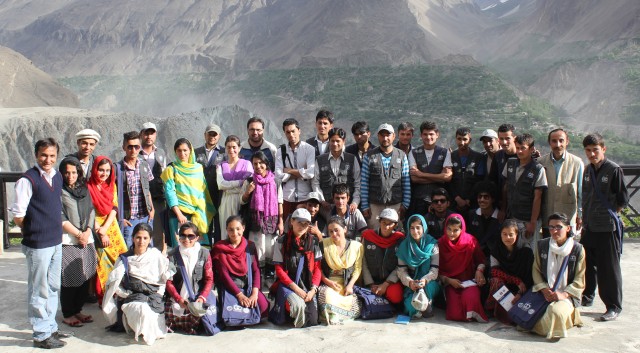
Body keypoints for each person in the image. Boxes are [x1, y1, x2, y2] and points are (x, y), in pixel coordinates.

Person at [10, 138, 71, 349]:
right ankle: (41, 334)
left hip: (55, 241)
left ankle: (50, 327)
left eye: (52, 156)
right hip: (38, 244)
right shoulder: (28, 180)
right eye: (44, 155)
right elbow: (18, 215)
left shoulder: (57, 176)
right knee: (39, 289)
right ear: (36, 155)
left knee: (53, 286)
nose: (48, 159)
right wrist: (32, 229)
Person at [581, 133, 629, 321]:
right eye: (588, 150)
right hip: (589, 225)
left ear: (603, 149)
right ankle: (587, 296)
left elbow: (622, 200)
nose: (592, 154)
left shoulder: (614, 170)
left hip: (607, 227)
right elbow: (585, 197)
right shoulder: (587, 170)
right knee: (586, 264)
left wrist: (608, 214)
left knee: (608, 268)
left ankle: (613, 306)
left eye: (595, 150)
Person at [102, 223, 174, 345]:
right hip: (132, 297)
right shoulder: (124, 259)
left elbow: (165, 276)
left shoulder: (155, 255)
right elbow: (114, 283)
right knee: (141, 310)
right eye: (138, 237)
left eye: (145, 238)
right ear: (133, 238)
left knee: (152, 320)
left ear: (150, 239)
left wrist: (159, 293)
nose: (141, 241)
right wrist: (125, 294)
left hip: (154, 297)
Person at [531, 213, 586, 339]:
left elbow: (579, 279)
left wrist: (563, 294)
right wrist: (544, 289)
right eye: (551, 227)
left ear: (568, 228)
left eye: (558, 227)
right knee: (527, 315)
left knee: (555, 312)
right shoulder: (542, 245)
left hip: (567, 295)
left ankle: (568, 317)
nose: (554, 230)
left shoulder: (577, 249)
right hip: (545, 292)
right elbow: (536, 270)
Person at [59, 157, 97, 327]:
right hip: (69, 240)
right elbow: (60, 215)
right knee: (69, 278)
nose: (70, 176)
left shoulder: (84, 189)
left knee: (85, 275)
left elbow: (91, 210)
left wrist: (88, 231)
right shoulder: (59, 191)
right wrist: (77, 234)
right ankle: (68, 313)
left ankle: (78, 309)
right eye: (66, 172)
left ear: (79, 173)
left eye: (74, 172)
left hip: (86, 239)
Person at [271, 208, 323, 328]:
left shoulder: (313, 242)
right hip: (288, 284)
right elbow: (279, 269)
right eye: (299, 222)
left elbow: (317, 268)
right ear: (292, 222)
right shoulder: (281, 241)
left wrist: (313, 290)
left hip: (307, 285)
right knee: (297, 307)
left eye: (306, 224)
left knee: (312, 320)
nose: (302, 227)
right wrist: (295, 288)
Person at [213, 216, 270, 321]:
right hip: (230, 287)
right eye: (231, 229)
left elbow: (256, 270)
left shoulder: (250, 246)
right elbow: (223, 275)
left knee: (264, 309)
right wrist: (239, 295)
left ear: (243, 228)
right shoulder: (219, 248)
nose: (235, 233)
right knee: (232, 317)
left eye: (238, 229)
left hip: (247, 285)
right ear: (226, 230)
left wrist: (254, 293)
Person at [87, 156, 128, 301]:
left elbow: (114, 207)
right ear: (94, 170)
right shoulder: (89, 187)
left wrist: (105, 228)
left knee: (121, 257)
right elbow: (88, 211)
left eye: (107, 171)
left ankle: (120, 291)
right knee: (102, 262)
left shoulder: (111, 185)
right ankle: (105, 296)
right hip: (94, 225)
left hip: (111, 226)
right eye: (101, 170)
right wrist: (99, 231)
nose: (104, 174)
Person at [162, 138, 215, 247]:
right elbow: (169, 192)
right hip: (178, 215)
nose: (182, 153)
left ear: (190, 151)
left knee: (197, 248)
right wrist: (179, 214)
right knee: (180, 247)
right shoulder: (171, 169)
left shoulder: (198, 168)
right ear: (175, 152)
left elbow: (202, 191)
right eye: (179, 150)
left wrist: (199, 212)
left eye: (185, 150)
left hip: (197, 214)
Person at [164, 222, 214, 335]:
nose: (186, 239)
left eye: (190, 236)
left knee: (202, 315)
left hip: (197, 298)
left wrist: (202, 297)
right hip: (178, 299)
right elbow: (168, 281)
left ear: (197, 237)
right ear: (178, 236)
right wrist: (178, 299)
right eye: (183, 235)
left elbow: (209, 279)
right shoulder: (172, 255)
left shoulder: (204, 254)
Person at [438, 214, 488, 322]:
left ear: (462, 229)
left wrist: (479, 271)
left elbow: (482, 261)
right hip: (450, 283)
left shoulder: (470, 241)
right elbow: (437, 270)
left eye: (456, 230)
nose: (451, 233)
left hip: (469, 281)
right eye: (449, 229)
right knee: (454, 313)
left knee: (470, 299)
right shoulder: (441, 244)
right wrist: (448, 280)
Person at [361, 123, 411, 230]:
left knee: (396, 236)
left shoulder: (402, 156)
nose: (385, 138)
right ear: (378, 136)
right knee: (375, 235)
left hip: (396, 204)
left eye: (388, 135)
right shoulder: (368, 156)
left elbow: (406, 181)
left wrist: (405, 205)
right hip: (375, 205)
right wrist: (365, 206)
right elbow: (364, 182)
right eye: (382, 135)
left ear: (393, 136)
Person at [501, 133, 547, 249]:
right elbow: (506, 188)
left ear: (531, 149)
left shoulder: (538, 169)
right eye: (517, 148)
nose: (520, 151)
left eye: (523, 148)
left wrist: (532, 223)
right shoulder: (510, 163)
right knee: (514, 249)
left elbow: (538, 197)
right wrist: (503, 209)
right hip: (512, 216)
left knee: (529, 251)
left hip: (528, 219)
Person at [240, 151, 284, 273]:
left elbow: (280, 202)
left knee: (270, 248)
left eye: (261, 163)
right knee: (257, 249)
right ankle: (257, 276)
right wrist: (248, 191)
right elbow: (242, 201)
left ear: (266, 163)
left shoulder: (275, 181)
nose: (258, 166)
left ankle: (269, 276)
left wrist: (281, 222)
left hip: (271, 221)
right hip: (255, 221)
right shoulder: (249, 181)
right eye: (255, 164)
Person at [485, 219, 533, 324]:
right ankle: (491, 309)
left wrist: (520, 293)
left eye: (511, 234)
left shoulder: (526, 251)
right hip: (505, 285)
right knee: (495, 281)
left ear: (517, 234)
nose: (507, 238)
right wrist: (515, 280)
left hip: (522, 288)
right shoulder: (496, 250)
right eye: (504, 234)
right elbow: (493, 271)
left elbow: (529, 276)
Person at [538, 128, 584, 237]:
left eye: (561, 140)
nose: (558, 144)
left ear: (567, 141)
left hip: (567, 217)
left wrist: (580, 215)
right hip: (547, 217)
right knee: (548, 250)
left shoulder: (577, 163)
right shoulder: (540, 162)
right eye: (554, 141)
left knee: (567, 250)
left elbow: (581, 192)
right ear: (549, 142)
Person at [318, 216, 363, 324]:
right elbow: (317, 268)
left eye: (336, 230)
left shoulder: (357, 246)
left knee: (354, 304)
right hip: (329, 284)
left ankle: (335, 314)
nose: (334, 234)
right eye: (331, 231)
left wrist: (350, 285)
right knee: (325, 296)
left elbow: (357, 269)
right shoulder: (323, 244)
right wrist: (327, 282)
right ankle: (334, 314)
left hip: (347, 285)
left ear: (345, 229)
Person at [115, 131, 155, 249]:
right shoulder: (117, 169)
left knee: (148, 249)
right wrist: (120, 218)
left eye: (136, 147)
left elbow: (147, 189)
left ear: (140, 147)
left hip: (145, 216)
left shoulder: (144, 165)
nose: (133, 150)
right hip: (128, 219)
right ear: (124, 147)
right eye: (130, 147)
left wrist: (151, 209)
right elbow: (113, 196)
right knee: (128, 250)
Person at [397, 214, 440, 319]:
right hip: (412, 284)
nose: (415, 231)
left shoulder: (432, 244)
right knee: (410, 307)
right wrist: (410, 282)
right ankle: (425, 307)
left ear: (423, 228)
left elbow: (434, 270)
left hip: (429, 283)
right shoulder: (404, 247)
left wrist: (425, 280)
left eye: (418, 227)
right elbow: (401, 271)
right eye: (412, 228)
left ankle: (424, 305)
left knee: (426, 290)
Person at [360, 208, 405, 304]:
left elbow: (400, 266)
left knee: (396, 297)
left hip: (390, 282)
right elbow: (363, 262)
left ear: (395, 225)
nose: (386, 226)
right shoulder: (368, 237)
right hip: (371, 281)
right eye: (384, 222)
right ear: (379, 222)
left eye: (390, 224)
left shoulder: (400, 240)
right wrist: (371, 284)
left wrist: (385, 284)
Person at [408, 121, 452, 216]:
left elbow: (447, 177)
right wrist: (439, 178)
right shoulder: (413, 153)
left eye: (431, 134)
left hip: (439, 202)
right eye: (425, 134)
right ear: (421, 135)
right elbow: (414, 178)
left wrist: (422, 174)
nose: (428, 137)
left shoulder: (445, 153)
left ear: (437, 135)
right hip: (419, 200)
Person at [276, 118, 316, 219]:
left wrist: (288, 170)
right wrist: (302, 173)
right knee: (287, 230)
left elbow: (311, 173)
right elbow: (278, 176)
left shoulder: (309, 149)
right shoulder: (281, 151)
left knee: (304, 228)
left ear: (299, 131)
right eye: (288, 132)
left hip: (305, 198)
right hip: (287, 198)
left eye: (293, 131)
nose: (291, 135)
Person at [312, 127, 361, 211]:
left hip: (348, 208)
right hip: (326, 207)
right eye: (332, 141)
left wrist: (355, 202)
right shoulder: (320, 159)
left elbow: (358, 182)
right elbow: (315, 182)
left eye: (338, 141)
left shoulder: (352, 159)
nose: (335, 144)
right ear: (329, 141)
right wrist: (322, 200)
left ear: (343, 142)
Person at [217, 135, 254, 240]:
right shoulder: (221, 166)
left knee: (240, 229)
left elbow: (248, 183)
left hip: (241, 199)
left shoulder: (247, 164)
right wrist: (239, 182)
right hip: (226, 201)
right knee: (226, 229)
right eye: (228, 147)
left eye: (234, 147)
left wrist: (229, 185)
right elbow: (221, 185)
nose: (231, 150)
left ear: (239, 148)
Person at [195, 123, 225, 242]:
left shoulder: (224, 152)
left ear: (219, 136)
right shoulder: (196, 152)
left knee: (218, 226)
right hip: (201, 196)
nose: (212, 137)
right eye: (210, 134)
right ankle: (204, 254)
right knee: (203, 225)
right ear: (205, 135)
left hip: (218, 195)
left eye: (215, 134)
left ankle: (217, 254)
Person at [140, 122, 168, 250]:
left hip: (158, 198)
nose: (149, 136)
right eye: (146, 133)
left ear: (155, 135)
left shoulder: (161, 152)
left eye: (151, 133)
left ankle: (158, 260)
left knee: (158, 231)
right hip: (141, 198)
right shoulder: (136, 152)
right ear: (141, 134)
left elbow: (165, 173)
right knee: (141, 231)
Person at [449, 127, 485, 213]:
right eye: (459, 139)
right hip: (454, 203)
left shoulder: (478, 158)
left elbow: (479, 181)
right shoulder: (450, 156)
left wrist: (468, 200)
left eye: (465, 139)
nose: (462, 142)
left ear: (470, 140)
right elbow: (448, 181)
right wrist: (457, 198)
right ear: (456, 139)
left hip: (473, 203)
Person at [466, 181, 501, 257]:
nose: (482, 200)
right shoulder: (471, 214)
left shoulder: (500, 217)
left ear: (493, 199)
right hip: (474, 254)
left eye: (486, 197)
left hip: (494, 256)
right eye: (480, 197)